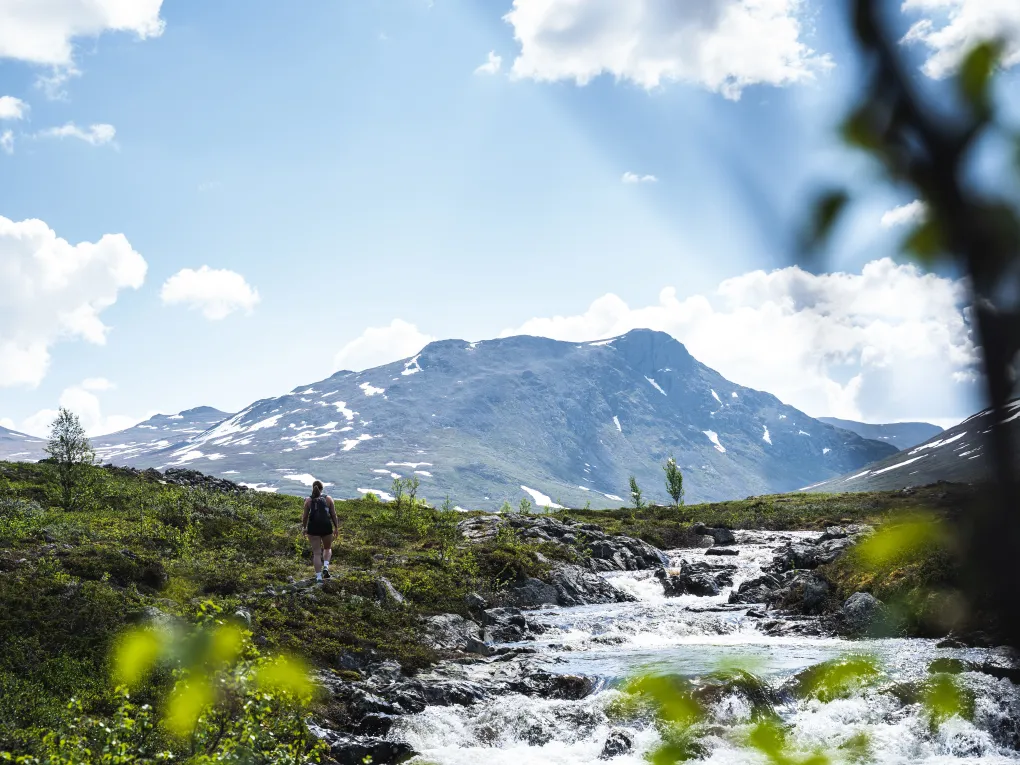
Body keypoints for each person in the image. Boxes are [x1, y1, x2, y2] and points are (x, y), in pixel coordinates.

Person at [302, 480, 339, 582]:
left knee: (317, 553)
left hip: (313, 528)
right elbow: (333, 515)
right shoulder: (328, 499)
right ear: (322, 488)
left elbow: (305, 517)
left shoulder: (308, 501)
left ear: (313, 488)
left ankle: (318, 578)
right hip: (326, 527)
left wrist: (304, 528)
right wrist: (336, 528)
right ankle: (326, 567)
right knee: (327, 549)